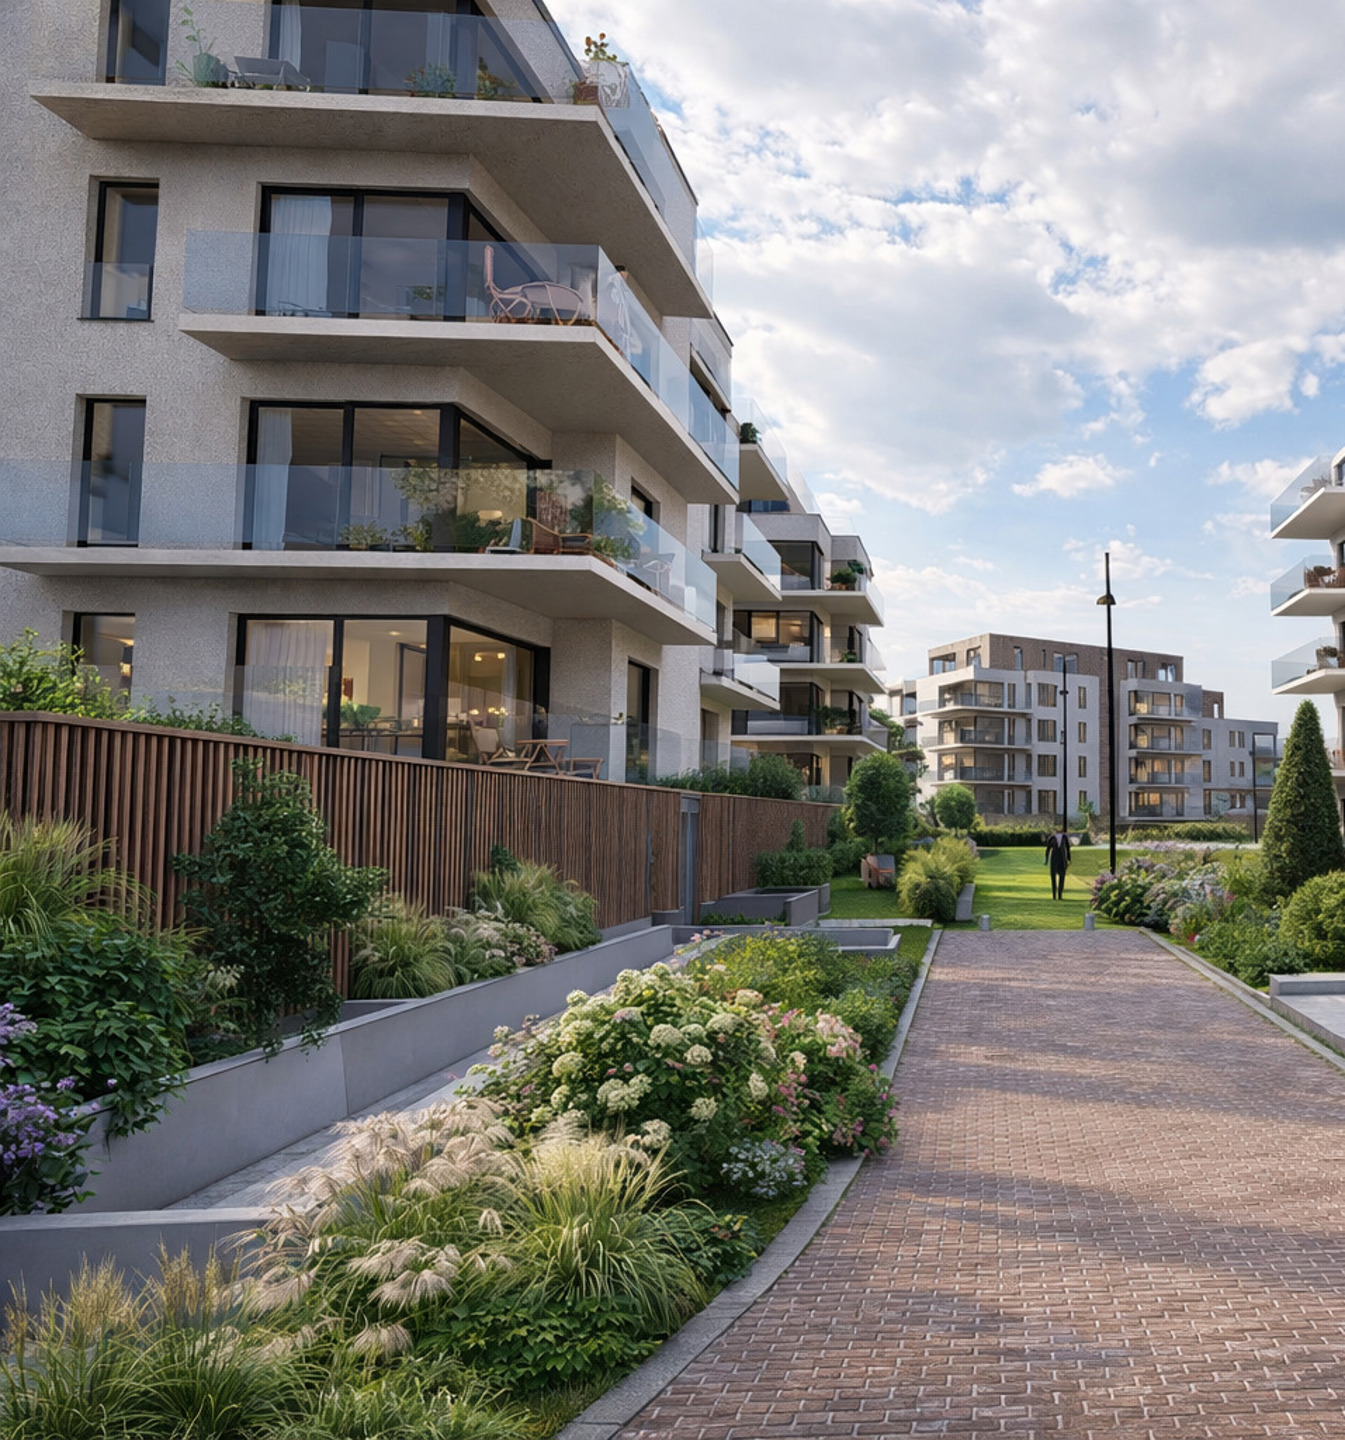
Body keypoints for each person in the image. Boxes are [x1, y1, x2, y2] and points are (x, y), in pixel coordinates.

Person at [1045, 827, 1071, 900]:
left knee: (1061, 877)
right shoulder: (1052, 838)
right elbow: (1048, 849)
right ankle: (1054, 895)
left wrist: (1068, 859)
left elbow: (1068, 849)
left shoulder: (1064, 838)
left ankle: (1059, 895)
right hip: (1054, 859)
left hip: (1062, 859)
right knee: (1053, 877)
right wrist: (1046, 859)